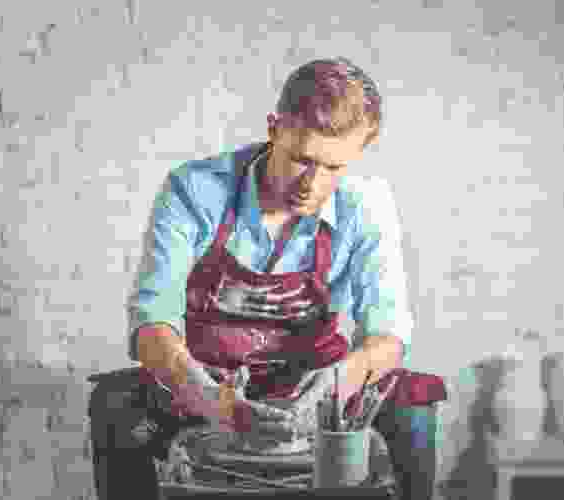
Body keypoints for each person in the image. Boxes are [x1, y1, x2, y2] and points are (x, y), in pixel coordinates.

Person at [88, 57, 446, 500]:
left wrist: (339, 382)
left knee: (414, 404)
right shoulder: (195, 189)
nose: (312, 184)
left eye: (334, 168)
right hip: (210, 379)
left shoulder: (367, 203)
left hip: (313, 382)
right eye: (301, 159)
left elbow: (387, 335)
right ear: (274, 128)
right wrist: (207, 397)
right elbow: (152, 324)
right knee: (116, 404)